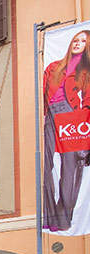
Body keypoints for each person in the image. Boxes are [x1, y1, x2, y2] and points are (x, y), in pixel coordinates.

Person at [43, 29, 90, 230]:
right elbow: (43, 90)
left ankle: (64, 218)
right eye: (76, 39)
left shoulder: (86, 71)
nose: (78, 43)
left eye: (83, 41)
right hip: (51, 115)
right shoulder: (54, 67)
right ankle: (49, 216)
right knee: (44, 166)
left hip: (73, 116)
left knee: (70, 168)